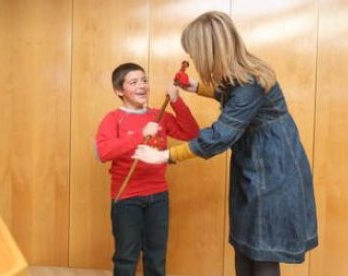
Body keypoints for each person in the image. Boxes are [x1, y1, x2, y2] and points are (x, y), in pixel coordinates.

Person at [132, 11, 318, 276]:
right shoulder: (242, 75)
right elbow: (230, 94)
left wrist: (164, 155)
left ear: (209, 51)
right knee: (245, 246)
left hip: (273, 171)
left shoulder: (249, 82)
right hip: (254, 165)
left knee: (261, 250)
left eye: (195, 53)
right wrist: (195, 86)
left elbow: (220, 135)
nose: (195, 60)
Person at [95, 62, 199, 276]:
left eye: (144, 80)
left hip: (158, 196)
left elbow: (192, 134)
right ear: (118, 90)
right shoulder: (113, 118)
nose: (142, 86)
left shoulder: (159, 116)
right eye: (133, 82)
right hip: (126, 198)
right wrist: (138, 135)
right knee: (126, 257)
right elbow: (103, 152)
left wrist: (177, 102)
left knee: (156, 257)